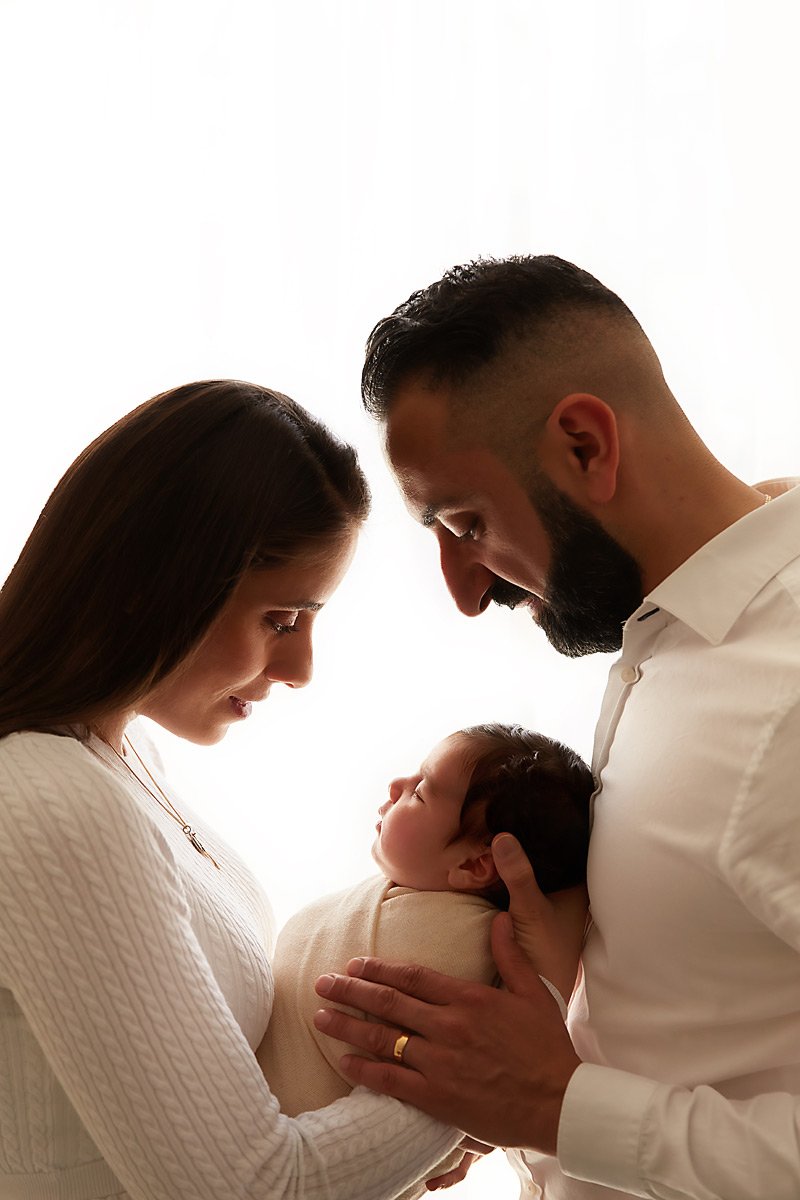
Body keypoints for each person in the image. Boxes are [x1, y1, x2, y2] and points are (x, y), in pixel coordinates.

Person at [312, 256, 800, 1200]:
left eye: (466, 523)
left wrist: (560, 1109)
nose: (464, 591)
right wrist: (515, 1096)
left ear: (585, 446)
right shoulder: (678, 634)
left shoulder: (784, 690)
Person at [0, 378, 473, 1200]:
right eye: (281, 620)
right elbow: (248, 1191)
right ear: (156, 582)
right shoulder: (48, 798)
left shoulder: (125, 761)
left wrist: (391, 1142)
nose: (301, 668)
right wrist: (460, 1092)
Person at [257, 722, 592, 1192]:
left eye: (420, 792)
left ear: (474, 864)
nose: (397, 785)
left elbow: (456, 1088)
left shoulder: (461, 945)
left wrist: (452, 1140)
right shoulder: (411, 896)